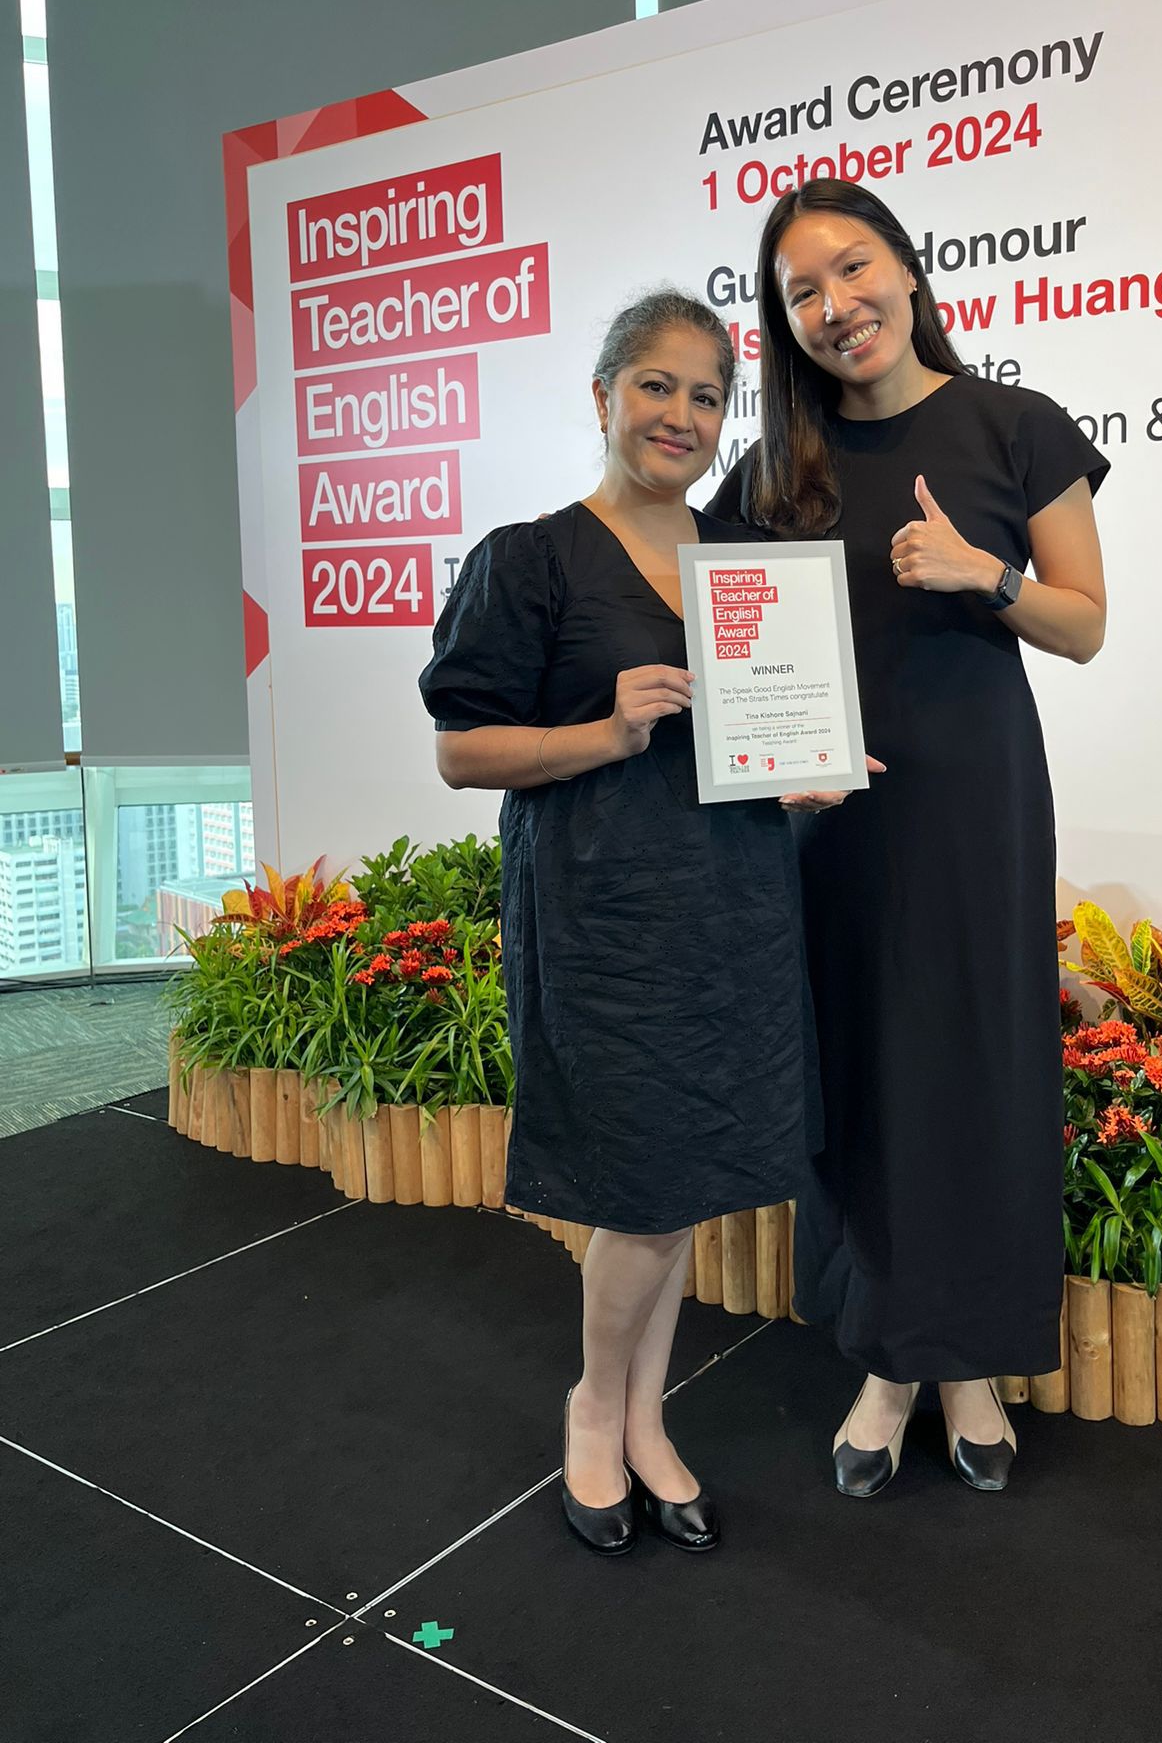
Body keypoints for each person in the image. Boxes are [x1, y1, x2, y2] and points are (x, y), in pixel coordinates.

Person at [419, 289, 847, 1556]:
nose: (680, 414)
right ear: (602, 397)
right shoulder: (531, 556)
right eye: (654, 386)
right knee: (644, 1188)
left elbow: (758, 734)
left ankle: (646, 1416)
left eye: (706, 394)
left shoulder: (743, 562)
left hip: (733, 905)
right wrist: (604, 730)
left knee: (685, 1181)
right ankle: (597, 1409)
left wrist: (804, 766)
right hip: (604, 916)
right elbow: (460, 752)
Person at [709, 180, 1109, 1496]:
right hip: (836, 824)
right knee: (869, 1075)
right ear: (784, 325)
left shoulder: (1014, 428)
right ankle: (895, 1356)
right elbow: (713, 628)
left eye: (853, 267)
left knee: (976, 1071)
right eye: (802, 293)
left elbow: (1084, 622)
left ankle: (963, 1365)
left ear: (909, 270)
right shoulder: (776, 471)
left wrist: (982, 577)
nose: (837, 305)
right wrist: (762, 766)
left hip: (978, 805)